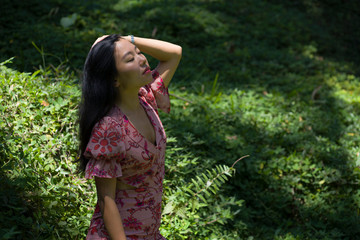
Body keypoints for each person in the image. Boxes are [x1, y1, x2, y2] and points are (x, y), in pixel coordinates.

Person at [78, 34, 182, 240]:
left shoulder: (146, 99)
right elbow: (106, 199)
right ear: (114, 79)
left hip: (150, 233)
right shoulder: (109, 127)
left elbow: (174, 53)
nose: (142, 59)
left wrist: (127, 39)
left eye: (139, 53)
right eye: (130, 59)